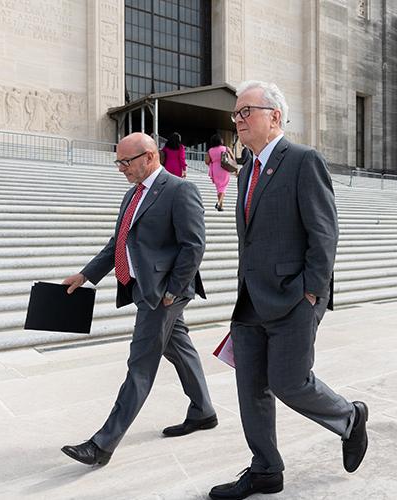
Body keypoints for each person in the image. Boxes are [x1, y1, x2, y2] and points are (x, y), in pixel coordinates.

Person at [209, 81, 368, 500]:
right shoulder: (247, 171)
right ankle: (265, 469)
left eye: (247, 112)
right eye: (236, 114)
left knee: (290, 382)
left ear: (274, 116)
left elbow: (324, 233)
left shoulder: (302, 161)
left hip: (293, 298)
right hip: (250, 301)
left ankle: (349, 418)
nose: (238, 120)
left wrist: (311, 294)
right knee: (251, 389)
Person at [59, 133, 215, 466]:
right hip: (144, 288)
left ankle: (102, 444)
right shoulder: (133, 195)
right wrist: (86, 275)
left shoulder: (179, 190)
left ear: (149, 156)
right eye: (118, 162)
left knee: (140, 365)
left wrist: (172, 291)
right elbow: (119, 242)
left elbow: (194, 246)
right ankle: (203, 411)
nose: (120, 169)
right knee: (180, 348)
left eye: (125, 162)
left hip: (162, 295)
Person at [206, 134, 233, 211]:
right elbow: (233, 158)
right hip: (224, 168)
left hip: (215, 169)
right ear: (221, 141)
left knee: (219, 188)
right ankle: (218, 202)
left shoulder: (210, 150)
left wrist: (214, 161)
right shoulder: (226, 148)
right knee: (223, 187)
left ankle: (220, 206)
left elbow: (207, 161)